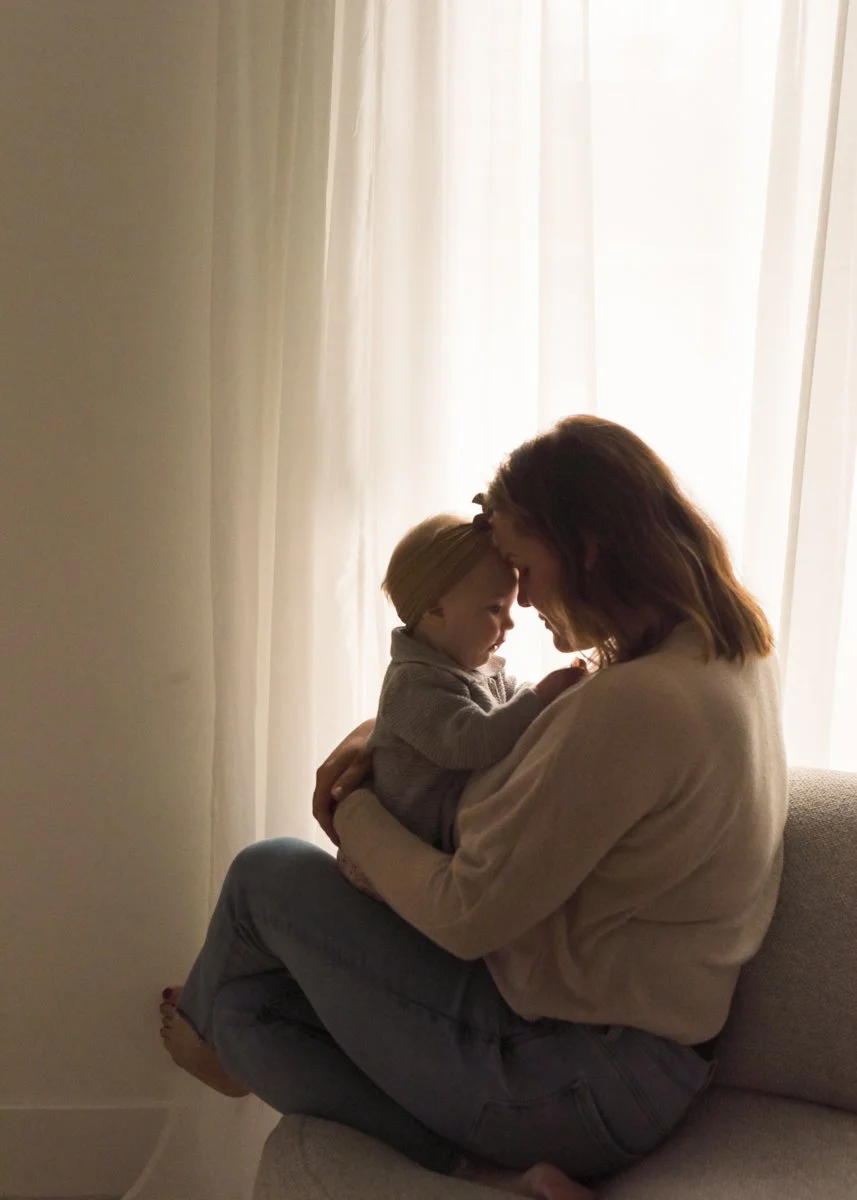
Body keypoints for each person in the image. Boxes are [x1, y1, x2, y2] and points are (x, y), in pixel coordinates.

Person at [160, 415, 788, 1200]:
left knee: (263, 880)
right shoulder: (721, 652)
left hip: (572, 1080)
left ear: (585, 548)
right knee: (251, 1007)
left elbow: (466, 913)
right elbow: (522, 747)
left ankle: (460, 1164)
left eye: (523, 567)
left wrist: (350, 811)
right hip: (624, 1067)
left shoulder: (640, 706)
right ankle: (220, 1031)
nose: (518, 599)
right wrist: (380, 736)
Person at [337, 511, 587, 899]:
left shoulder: (479, 666)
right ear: (436, 611)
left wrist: (556, 695)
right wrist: (541, 697)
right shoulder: (412, 683)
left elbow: (512, 702)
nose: (510, 622)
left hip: (434, 854)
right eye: (494, 608)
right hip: (382, 871)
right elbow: (473, 741)